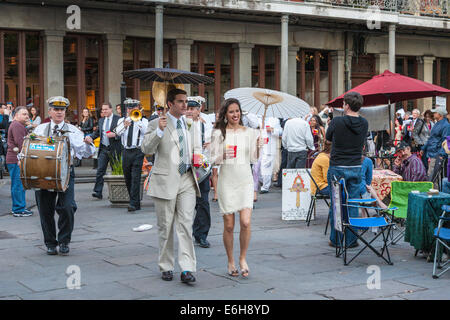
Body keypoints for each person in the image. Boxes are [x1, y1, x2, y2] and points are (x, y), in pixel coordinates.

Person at [141, 88, 200, 284]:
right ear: (170, 104)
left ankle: (187, 268)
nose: (185, 105)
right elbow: (146, 149)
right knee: (165, 227)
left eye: (186, 102)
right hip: (165, 181)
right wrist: (159, 130)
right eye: (181, 102)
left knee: (185, 225)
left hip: (187, 180)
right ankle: (166, 266)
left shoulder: (190, 123)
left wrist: (200, 159)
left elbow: (196, 148)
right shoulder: (155, 124)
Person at [33, 96, 95, 255]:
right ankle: (50, 243)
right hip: (43, 172)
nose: (59, 112)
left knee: (67, 207)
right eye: (56, 109)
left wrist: (89, 144)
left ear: (65, 111)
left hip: (66, 172)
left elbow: (86, 152)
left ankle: (64, 241)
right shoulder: (39, 129)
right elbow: (29, 148)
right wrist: (21, 160)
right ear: (50, 111)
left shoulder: (73, 130)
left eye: (62, 109)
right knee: (45, 210)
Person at [210, 98, 260, 278]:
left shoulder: (249, 132)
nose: (235, 114)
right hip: (227, 181)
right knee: (229, 225)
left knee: (245, 222)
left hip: (245, 180)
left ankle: (243, 258)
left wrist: (258, 147)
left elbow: (254, 159)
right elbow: (213, 160)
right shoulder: (218, 133)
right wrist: (222, 154)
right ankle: (231, 260)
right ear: (225, 114)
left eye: (237, 111)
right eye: (231, 112)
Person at [326, 91, 368, 248]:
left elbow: (328, 139)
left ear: (347, 105)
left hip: (338, 166)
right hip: (356, 166)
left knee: (337, 203)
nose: (342, 106)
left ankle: (336, 239)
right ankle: (351, 240)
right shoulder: (364, 123)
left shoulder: (337, 122)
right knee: (352, 203)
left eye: (343, 104)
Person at [186, 96, 212, 249]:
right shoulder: (181, 125)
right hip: (185, 169)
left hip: (201, 169)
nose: (189, 112)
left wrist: (209, 145)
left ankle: (201, 234)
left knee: (203, 202)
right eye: (187, 109)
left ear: (199, 110)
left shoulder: (206, 126)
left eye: (192, 109)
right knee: (186, 203)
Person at [115, 99, 148, 212]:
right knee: (127, 177)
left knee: (135, 177)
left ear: (138, 108)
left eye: (133, 108)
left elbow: (146, 131)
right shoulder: (121, 120)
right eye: (129, 108)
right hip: (126, 151)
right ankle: (135, 201)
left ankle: (133, 203)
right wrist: (124, 125)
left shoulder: (143, 120)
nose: (131, 110)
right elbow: (117, 133)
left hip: (138, 151)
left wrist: (137, 120)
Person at [85, 103, 122, 200]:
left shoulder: (118, 119)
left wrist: (115, 135)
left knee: (115, 171)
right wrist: (90, 137)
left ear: (111, 109)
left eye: (106, 109)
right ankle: (98, 192)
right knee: (100, 171)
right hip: (104, 149)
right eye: (103, 110)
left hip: (115, 148)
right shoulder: (101, 120)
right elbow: (97, 133)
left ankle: (116, 191)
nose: (104, 111)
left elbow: (123, 132)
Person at [6, 106, 33, 217]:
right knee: (18, 185)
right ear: (16, 115)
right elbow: (21, 144)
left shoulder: (18, 125)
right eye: (24, 114)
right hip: (16, 159)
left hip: (14, 158)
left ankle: (18, 207)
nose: (27, 116)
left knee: (18, 184)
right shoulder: (17, 125)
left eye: (27, 114)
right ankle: (18, 209)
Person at [421, 106, 450, 184]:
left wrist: (441, 154)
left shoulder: (445, 125)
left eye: (435, 112)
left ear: (440, 114)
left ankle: (433, 194)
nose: (433, 114)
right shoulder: (437, 123)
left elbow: (446, 141)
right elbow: (431, 138)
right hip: (432, 152)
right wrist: (424, 148)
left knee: (433, 176)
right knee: (431, 175)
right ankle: (432, 192)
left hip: (436, 153)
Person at [254, 116, 282, 194]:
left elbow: (280, 131)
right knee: (256, 167)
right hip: (258, 146)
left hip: (269, 146)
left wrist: (273, 130)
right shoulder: (256, 118)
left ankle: (265, 187)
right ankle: (262, 181)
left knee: (266, 167)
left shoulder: (275, 120)